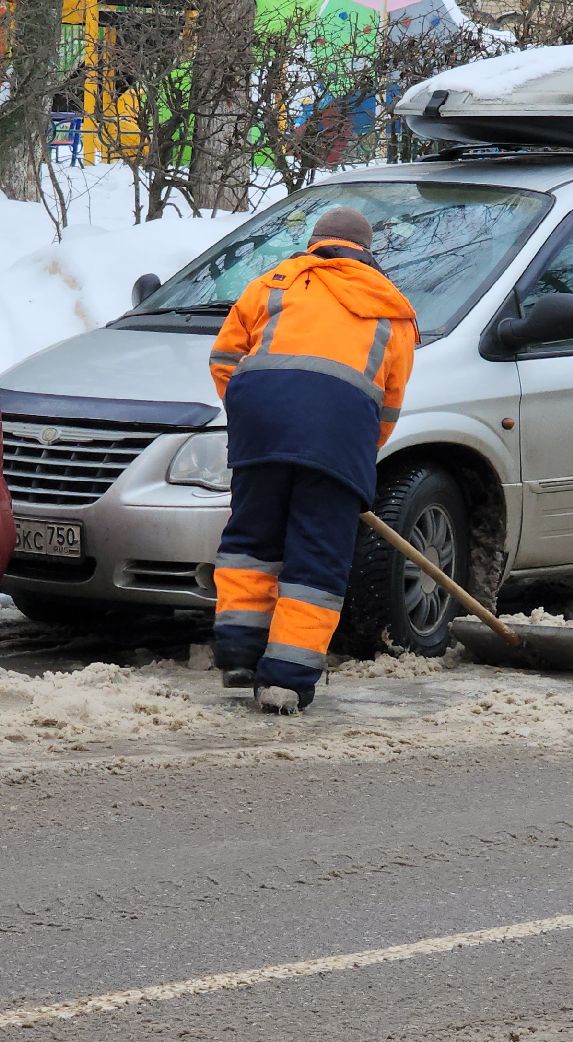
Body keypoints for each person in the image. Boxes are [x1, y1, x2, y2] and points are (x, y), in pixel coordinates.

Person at [207, 206, 418, 714]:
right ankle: (287, 678)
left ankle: (238, 653)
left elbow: (224, 359)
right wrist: (352, 455)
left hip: (262, 426)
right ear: (367, 253)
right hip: (340, 437)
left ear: (314, 243)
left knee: (250, 540)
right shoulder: (393, 310)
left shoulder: (272, 283)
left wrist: (256, 417)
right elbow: (389, 401)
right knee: (316, 555)